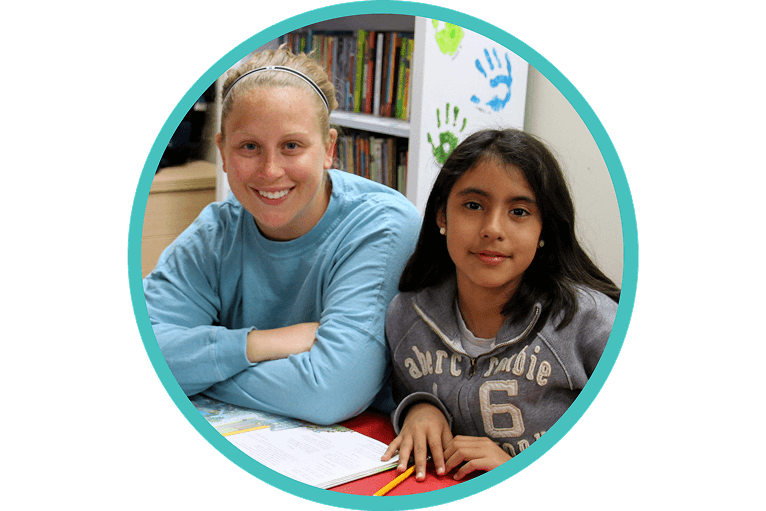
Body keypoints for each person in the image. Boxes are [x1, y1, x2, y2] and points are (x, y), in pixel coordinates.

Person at [143, 47, 421, 425]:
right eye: (249, 147)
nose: (270, 171)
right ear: (223, 151)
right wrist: (262, 343)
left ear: (328, 149)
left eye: (291, 146)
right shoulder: (216, 231)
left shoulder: (382, 226)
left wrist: (198, 372)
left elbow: (331, 391)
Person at [381, 128, 620, 481]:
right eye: (473, 205)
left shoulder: (592, 322)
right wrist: (419, 409)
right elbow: (407, 392)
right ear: (442, 216)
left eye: (519, 211)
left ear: (545, 231)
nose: (493, 229)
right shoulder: (406, 315)